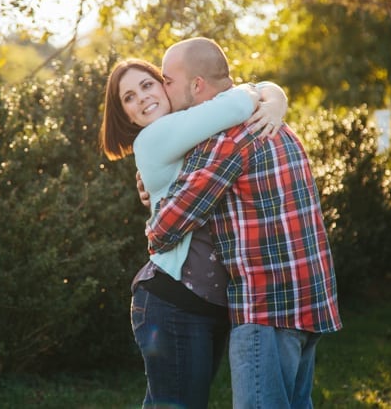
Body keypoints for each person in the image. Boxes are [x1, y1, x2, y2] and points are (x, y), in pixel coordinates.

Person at [145, 37, 342, 409]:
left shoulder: (227, 137)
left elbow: (166, 228)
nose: (163, 88)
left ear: (197, 85)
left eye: (168, 80)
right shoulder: (274, 123)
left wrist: (155, 198)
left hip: (267, 308)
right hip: (309, 301)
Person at [100, 57, 287, 409]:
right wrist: (269, 96)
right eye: (128, 98)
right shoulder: (154, 137)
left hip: (206, 303)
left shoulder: (190, 131)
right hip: (173, 301)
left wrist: (274, 94)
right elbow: (234, 102)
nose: (141, 98)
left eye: (147, 85)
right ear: (126, 115)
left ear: (165, 85)